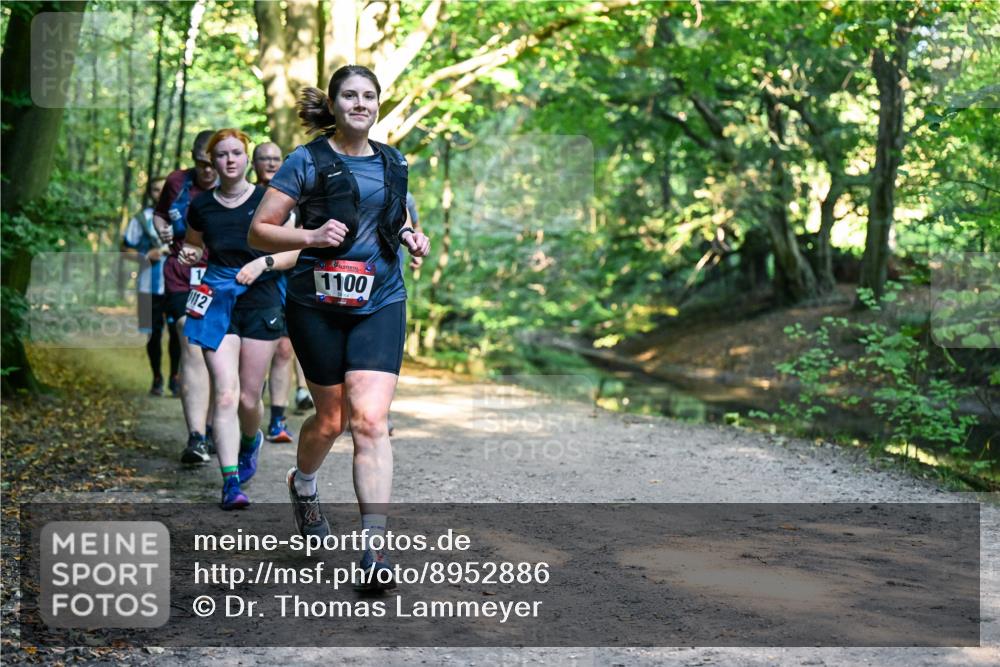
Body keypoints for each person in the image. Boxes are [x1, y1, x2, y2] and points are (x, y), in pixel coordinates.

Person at [249, 65, 429, 590]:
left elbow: (399, 220)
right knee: (331, 421)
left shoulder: (394, 161)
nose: (360, 103)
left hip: (381, 300)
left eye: (369, 96)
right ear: (334, 105)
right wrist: (309, 236)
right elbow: (260, 231)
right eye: (349, 95)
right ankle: (303, 484)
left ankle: (374, 551)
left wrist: (413, 238)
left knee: (370, 420)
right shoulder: (306, 161)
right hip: (317, 306)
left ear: (378, 104)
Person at [180, 129, 300, 510]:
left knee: (249, 398)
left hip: (262, 301)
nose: (229, 160)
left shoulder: (270, 200)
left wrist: (263, 263)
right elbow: (193, 245)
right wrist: (188, 254)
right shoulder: (201, 206)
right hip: (217, 300)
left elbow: (296, 250)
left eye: (236, 153)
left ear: (247, 158)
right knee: (226, 393)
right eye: (222, 155)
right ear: (211, 162)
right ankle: (230, 482)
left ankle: (251, 440)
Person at [154, 130, 219, 464]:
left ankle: (211, 428)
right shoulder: (177, 182)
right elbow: (160, 213)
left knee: (216, 354)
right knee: (189, 338)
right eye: (200, 163)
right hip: (182, 276)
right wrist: (162, 229)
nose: (207, 170)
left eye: (212, 163)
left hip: (221, 279)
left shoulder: (237, 186)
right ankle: (196, 437)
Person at [250, 142, 309, 442]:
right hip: (250, 283)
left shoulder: (297, 201)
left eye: (276, 159)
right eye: (265, 159)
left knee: (285, 349)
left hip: (286, 282)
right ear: (254, 163)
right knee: (253, 355)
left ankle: (277, 420)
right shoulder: (247, 196)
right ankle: (245, 417)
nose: (272, 163)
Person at [121, 176, 180, 396]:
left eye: (165, 189)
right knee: (152, 335)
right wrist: (145, 256)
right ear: (150, 193)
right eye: (156, 190)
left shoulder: (182, 216)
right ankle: (156, 378)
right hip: (147, 287)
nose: (161, 193)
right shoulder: (140, 219)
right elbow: (124, 249)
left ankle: (175, 378)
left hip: (178, 286)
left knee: (178, 333)